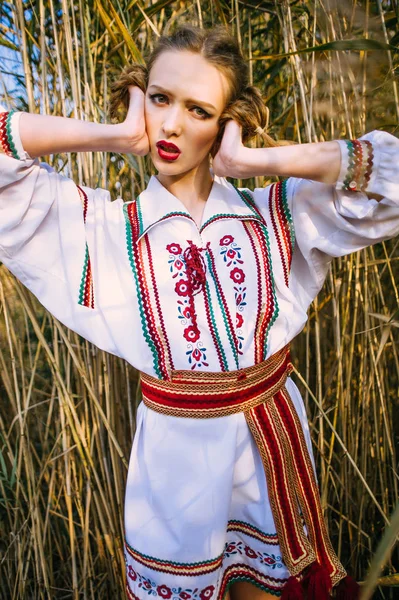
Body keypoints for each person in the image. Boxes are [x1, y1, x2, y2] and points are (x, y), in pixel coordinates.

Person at [0, 24, 398, 600]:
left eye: (200, 109)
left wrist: (254, 161)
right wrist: (113, 135)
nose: (171, 125)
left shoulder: (278, 213)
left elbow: (389, 183)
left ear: (226, 121)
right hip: (178, 461)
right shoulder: (105, 232)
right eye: (159, 99)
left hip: (270, 443)